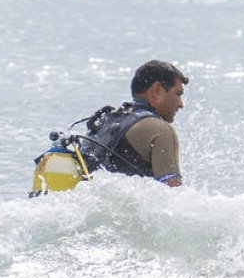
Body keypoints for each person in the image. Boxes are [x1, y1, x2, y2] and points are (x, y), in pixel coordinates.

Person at [80, 59, 189, 187]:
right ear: (157, 91)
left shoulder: (106, 122)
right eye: (178, 94)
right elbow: (172, 195)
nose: (181, 104)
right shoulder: (160, 130)